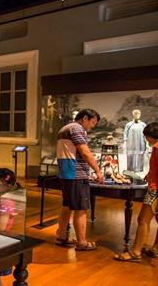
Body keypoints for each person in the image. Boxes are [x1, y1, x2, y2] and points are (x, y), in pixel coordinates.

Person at [55, 108, 103, 251]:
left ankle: (61, 236)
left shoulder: (65, 128)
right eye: (92, 122)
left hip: (65, 173)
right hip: (75, 174)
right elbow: (85, 152)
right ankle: (82, 242)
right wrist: (98, 171)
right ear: (85, 119)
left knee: (67, 206)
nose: (92, 126)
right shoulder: (77, 129)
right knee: (81, 208)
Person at [114, 122, 158, 262]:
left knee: (142, 220)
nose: (146, 140)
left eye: (146, 136)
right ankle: (155, 248)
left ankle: (135, 252)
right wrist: (150, 174)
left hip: (155, 189)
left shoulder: (157, 148)